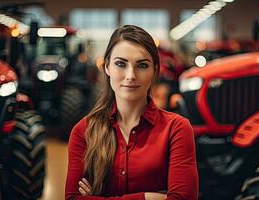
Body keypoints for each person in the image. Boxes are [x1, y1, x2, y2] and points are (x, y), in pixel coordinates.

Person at [65, 25, 198, 200]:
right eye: (120, 64)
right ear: (107, 67)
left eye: (142, 65)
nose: (130, 75)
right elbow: (73, 198)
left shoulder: (176, 129)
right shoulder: (84, 131)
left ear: (154, 71)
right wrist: (148, 197)